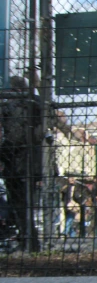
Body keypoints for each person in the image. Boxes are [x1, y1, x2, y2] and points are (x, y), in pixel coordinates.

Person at [0, 76, 43, 251]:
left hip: (13, 155)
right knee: (28, 202)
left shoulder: (7, 103)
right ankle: (29, 239)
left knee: (18, 201)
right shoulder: (35, 102)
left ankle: (27, 238)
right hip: (31, 156)